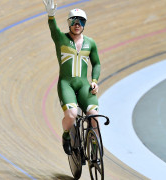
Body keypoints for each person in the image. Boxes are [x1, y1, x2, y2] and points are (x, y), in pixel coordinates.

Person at [43, 0, 101, 155]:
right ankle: (66, 135)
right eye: (73, 21)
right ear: (69, 23)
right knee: (72, 114)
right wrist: (51, 15)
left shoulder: (90, 43)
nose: (77, 24)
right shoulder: (61, 39)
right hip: (66, 84)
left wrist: (94, 82)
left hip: (84, 85)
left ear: (84, 24)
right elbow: (53, 28)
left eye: (81, 21)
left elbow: (96, 64)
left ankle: (94, 146)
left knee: (94, 117)